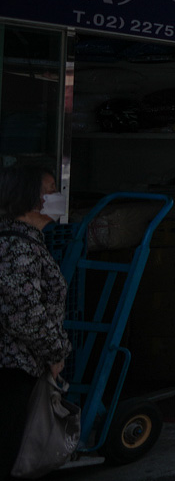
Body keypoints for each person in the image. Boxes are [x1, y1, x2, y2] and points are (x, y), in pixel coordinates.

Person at [0, 165, 68, 474]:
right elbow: (24, 313)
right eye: (51, 189)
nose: (58, 197)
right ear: (31, 198)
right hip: (13, 370)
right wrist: (55, 352)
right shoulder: (17, 246)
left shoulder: (26, 242)